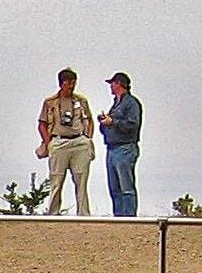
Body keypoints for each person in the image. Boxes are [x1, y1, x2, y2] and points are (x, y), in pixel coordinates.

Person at [38, 69, 97, 216]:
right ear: (61, 83)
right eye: (68, 83)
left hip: (79, 142)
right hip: (59, 142)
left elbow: (89, 120)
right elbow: (42, 124)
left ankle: (84, 215)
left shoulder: (81, 101)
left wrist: (88, 138)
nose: (71, 86)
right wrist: (49, 143)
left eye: (73, 83)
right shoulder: (50, 102)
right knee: (56, 180)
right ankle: (53, 214)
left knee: (81, 181)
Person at [99, 73, 143, 217]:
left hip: (125, 148)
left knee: (126, 187)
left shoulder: (131, 103)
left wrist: (113, 122)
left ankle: (129, 217)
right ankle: (119, 217)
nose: (110, 86)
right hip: (112, 148)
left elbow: (132, 125)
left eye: (112, 83)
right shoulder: (116, 104)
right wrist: (105, 122)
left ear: (119, 83)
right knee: (114, 187)